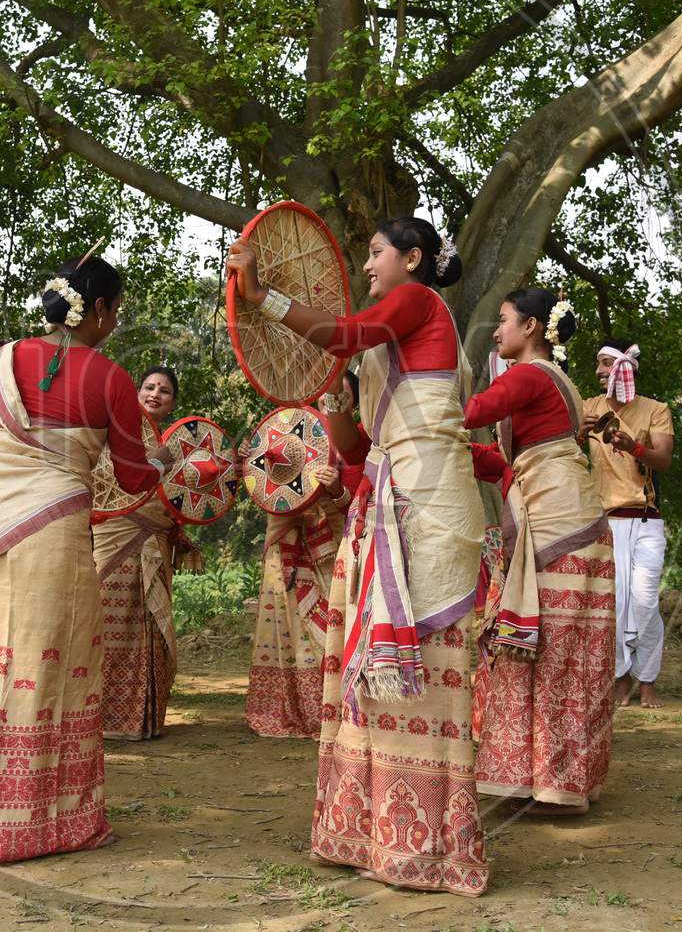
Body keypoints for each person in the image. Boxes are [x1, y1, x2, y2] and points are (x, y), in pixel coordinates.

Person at [226, 216, 489, 896]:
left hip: (425, 499)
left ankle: (424, 848)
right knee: (370, 667)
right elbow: (356, 436)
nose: (367, 266)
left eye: (375, 254)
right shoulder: (399, 331)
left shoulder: (416, 303)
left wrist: (261, 298)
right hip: (395, 494)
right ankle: (369, 832)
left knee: (421, 668)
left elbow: (341, 335)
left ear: (413, 257)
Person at [0, 255, 171, 865]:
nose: (116, 321)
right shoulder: (110, 378)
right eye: (116, 310)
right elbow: (129, 474)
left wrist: (3, 478)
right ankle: (44, 821)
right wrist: (170, 471)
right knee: (50, 661)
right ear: (98, 309)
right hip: (54, 531)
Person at [464, 289, 614, 815]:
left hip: (557, 532)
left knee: (548, 656)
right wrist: (466, 454)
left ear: (531, 327)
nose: (496, 331)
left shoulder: (528, 376)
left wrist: (419, 404)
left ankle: (555, 787)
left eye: (502, 321)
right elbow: (510, 461)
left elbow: (473, 410)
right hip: (570, 525)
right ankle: (546, 782)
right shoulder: (558, 383)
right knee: (562, 655)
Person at [243, 398, 359, 739]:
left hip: (330, 551)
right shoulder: (282, 440)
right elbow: (265, 489)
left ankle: (334, 709)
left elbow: (359, 504)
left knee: (330, 629)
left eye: (339, 397)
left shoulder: (357, 444)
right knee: (287, 630)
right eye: (323, 400)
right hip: (285, 549)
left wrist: (336, 489)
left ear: (350, 402)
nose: (331, 403)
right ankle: (291, 709)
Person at [94, 365, 199, 741]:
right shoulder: (117, 427)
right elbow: (103, 477)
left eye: (165, 391)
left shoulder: (176, 446)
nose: (155, 394)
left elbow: (179, 498)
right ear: (137, 392)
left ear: (172, 403)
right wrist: (153, 461)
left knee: (150, 628)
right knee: (108, 629)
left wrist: (174, 526)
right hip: (115, 538)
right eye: (149, 387)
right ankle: (103, 719)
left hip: (154, 543)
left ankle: (142, 720)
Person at [581, 340, 674, 710]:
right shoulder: (589, 407)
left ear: (623, 368)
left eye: (606, 364)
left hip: (645, 519)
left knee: (645, 601)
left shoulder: (655, 409)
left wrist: (634, 447)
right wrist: (577, 430)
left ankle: (647, 679)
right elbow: (562, 448)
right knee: (615, 604)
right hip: (605, 521)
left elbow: (663, 460)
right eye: (598, 365)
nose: (600, 372)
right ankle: (620, 678)